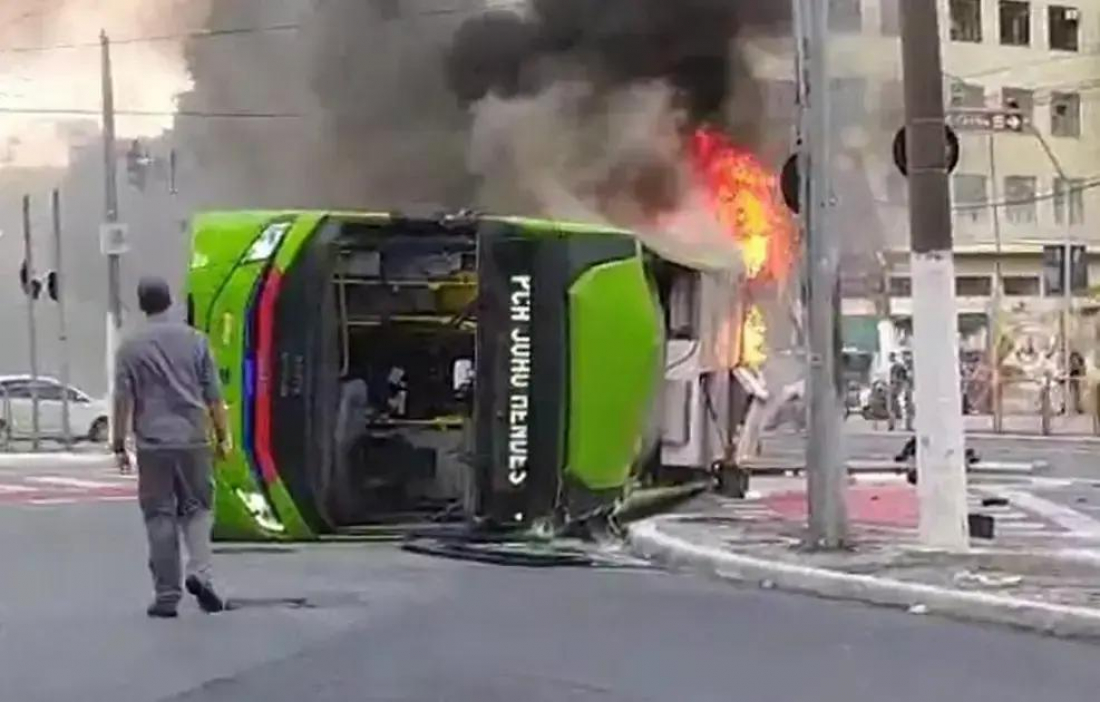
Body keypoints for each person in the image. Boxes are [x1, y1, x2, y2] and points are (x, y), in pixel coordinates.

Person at [112, 277, 231, 619]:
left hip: (153, 444)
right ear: (170, 301)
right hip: (194, 438)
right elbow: (214, 396)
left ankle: (166, 595)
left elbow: (123, 400)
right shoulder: (196, 341)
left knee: (159, 515)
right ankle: (200, 572)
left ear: (141, 304)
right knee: (198, 510)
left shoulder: (130, 347)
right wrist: (223, 437)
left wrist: (119, 444)